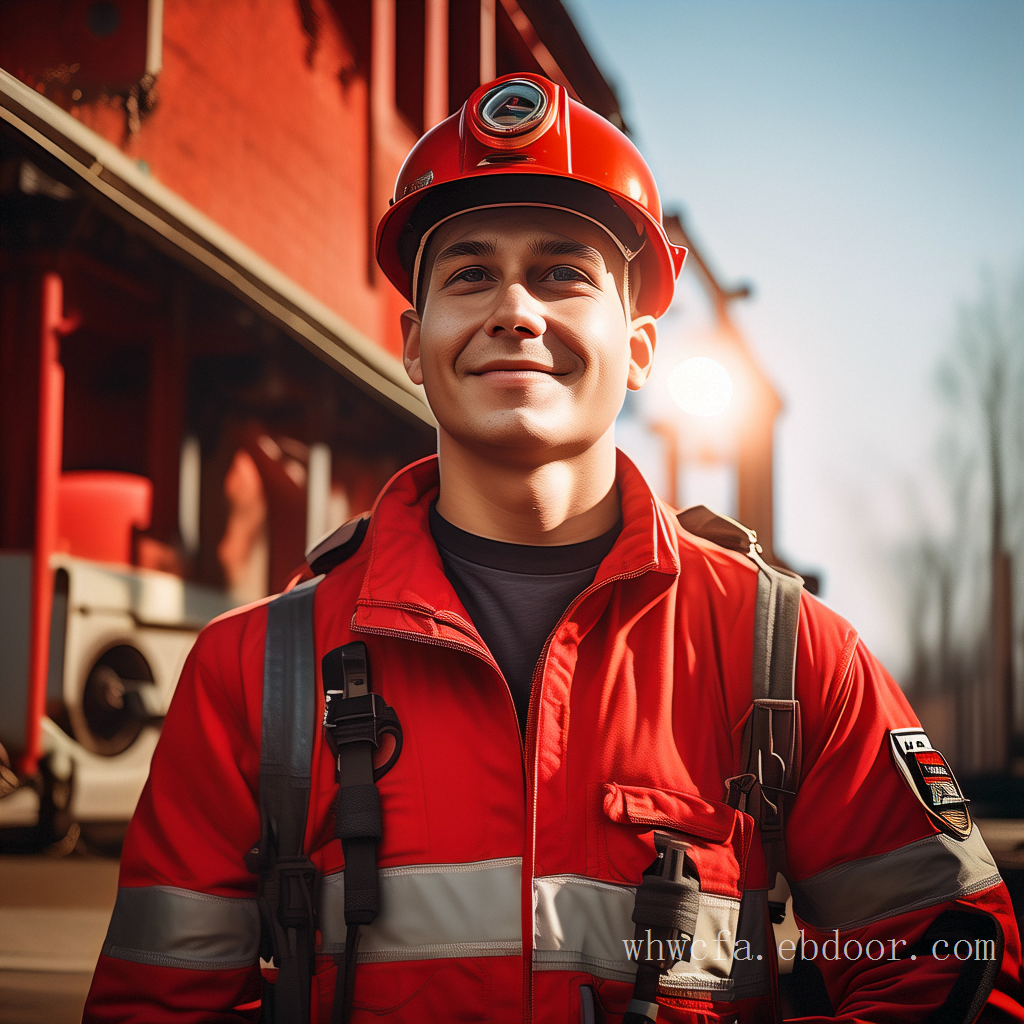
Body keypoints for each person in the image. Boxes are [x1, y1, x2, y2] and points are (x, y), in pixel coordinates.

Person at [84, 73, 1022, 1024]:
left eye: (565, 273)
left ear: (643, 347)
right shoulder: (252, 672)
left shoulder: (788, 655)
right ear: (414, 344)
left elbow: (948, 979)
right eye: (469, 274)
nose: (515, 310)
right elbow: (156, 1008)